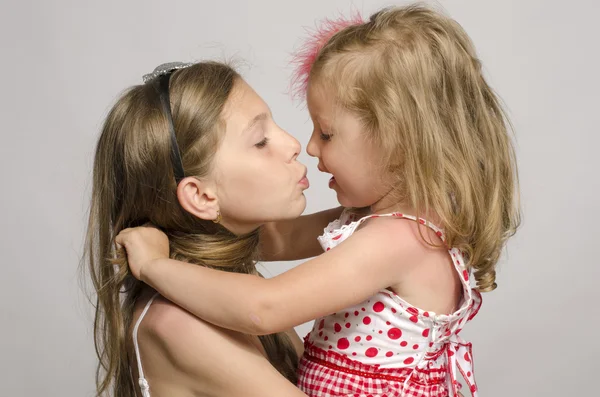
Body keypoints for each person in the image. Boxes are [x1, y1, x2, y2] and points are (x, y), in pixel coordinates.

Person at [118, 4, 520, 396]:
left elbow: (264, 309)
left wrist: (155, 264)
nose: (305, 146)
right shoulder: (378, 222)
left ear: (399, 141)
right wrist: (188, 226)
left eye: (326, 134)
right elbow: (272, 240)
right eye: (260, 140)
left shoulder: (398, 239)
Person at [85, 60, 343, 396]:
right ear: (201, 196)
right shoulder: (178, 325)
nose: (294, 144)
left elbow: (364, 227)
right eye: (260, 141)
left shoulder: (223, 280)